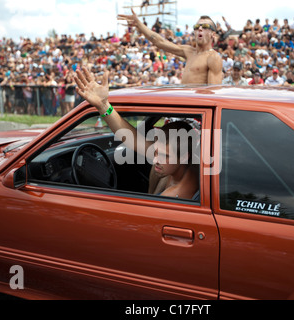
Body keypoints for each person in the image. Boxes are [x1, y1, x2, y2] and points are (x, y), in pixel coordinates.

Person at [74, 67, 199, 199]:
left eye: (163, 155)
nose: (155, 159)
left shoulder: (172, 196)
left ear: (185, 156)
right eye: (155, 152)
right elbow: (131, 138)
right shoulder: (182, 161)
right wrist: (103, 105)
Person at [118, 9, 222, 85]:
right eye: (196, 26)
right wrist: (139, 24)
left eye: (205, 27)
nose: (199, 29)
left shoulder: (213, 57)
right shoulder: (189, 51)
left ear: (213, 34)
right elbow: (160, 42)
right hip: (186, 107)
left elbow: (213, 94)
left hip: (197, 111)